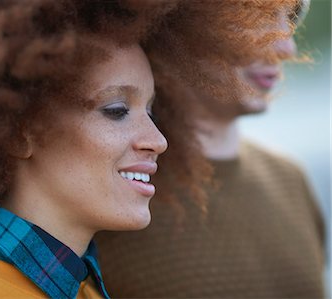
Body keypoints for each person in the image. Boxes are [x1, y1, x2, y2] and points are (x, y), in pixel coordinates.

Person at [0, 0, 298, 298]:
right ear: (19, 130)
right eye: (116, 109)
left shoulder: (83, 287)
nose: (158, 140)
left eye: (151, 110)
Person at [95, 0, 326, 298]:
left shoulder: (291, 179)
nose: (287, 48)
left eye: (293, 16)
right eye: (257, 16)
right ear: (179, 21)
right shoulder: (111, 194)